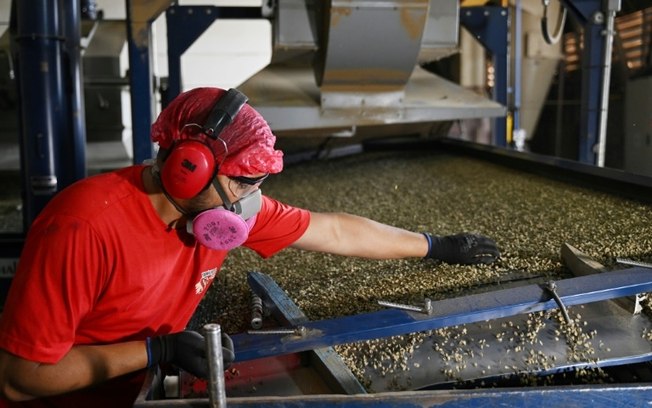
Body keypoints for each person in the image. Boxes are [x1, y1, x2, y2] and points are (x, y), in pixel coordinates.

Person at [0, 87, 499, 407]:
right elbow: (22, 379)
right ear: (185, 167)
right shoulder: (83, 228)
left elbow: (335, 231)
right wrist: (158, 349)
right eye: (242, 183)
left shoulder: (211, 211)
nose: (250, 201)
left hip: (139, 388)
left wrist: (435, 246)